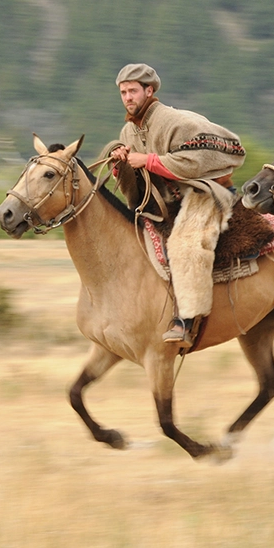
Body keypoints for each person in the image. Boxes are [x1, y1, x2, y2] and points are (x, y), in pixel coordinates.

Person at [102, 63, 246, 345]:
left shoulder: (176, 121)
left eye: (133, 91)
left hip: (204, 193)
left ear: (149, 90)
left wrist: (150, 161)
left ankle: (187, 320)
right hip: (166, 202)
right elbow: (133, 179)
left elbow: (224, 151)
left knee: (185, 243)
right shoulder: (128, 133)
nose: (128, 97)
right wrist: (119, 163)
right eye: (123, 92)